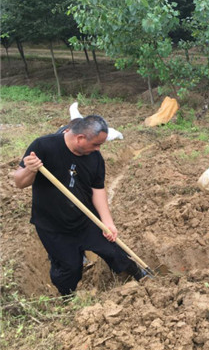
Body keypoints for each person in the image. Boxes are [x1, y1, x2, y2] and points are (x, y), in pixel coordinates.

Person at [14, 115, 147, 296]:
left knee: (115, 251)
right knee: (70, 269)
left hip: (85, 219)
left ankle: (142, 278)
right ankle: (67, 299)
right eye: (96, 144)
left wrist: (108, 222)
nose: (98, 149)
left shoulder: (95, 158)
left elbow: (98, 191)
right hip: (52, 226)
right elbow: (19, 182)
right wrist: (31, 169)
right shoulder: (43, 146)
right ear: (80, 138)